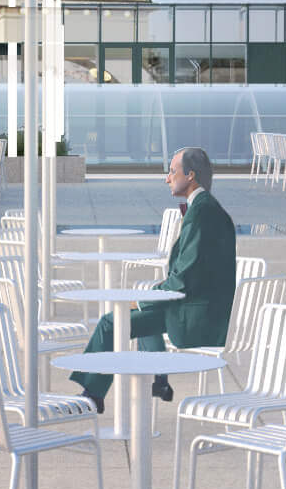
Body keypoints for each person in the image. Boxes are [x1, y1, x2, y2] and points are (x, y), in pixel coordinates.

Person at [68, 146, 236, 413]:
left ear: (190, 176)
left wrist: (142, 301)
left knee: (112, 322)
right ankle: (158, 380)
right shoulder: (205, 209)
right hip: (199, 307)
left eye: (172, 171)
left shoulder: (203, 214)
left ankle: (92, 396)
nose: (167, 178)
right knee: (144, 311)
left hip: (197, 318)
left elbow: (183, 278)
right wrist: (149, 299)